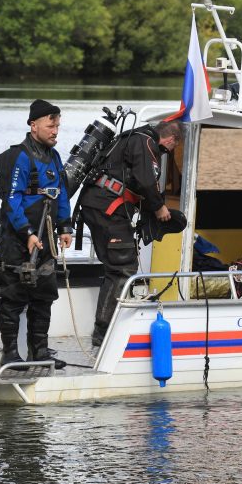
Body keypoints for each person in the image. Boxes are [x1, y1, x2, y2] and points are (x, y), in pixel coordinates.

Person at [79, 119, 183, 350]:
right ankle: (104, 333)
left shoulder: (131, 138)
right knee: (123, 268)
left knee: (115, 266)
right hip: (108, 208)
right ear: (170, 140)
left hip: (97, 205)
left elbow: (133, 181)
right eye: (172, 148)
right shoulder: (146, 143)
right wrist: (159, 208)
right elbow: (146, 181)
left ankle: (105, 328)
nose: (167, 152)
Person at [0, 99, 73, 369]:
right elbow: (12, 199)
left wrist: (65, 226)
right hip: (19, 239)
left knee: (44, 294)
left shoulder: (54, 156)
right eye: (51, 126)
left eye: (58, 126)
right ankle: (10, 354)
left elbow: (61, 193)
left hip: (47, 236)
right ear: (33, 125)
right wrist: (26, 232)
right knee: (14, 295)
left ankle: (39, 352)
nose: (55, 131)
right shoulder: (22, 156)